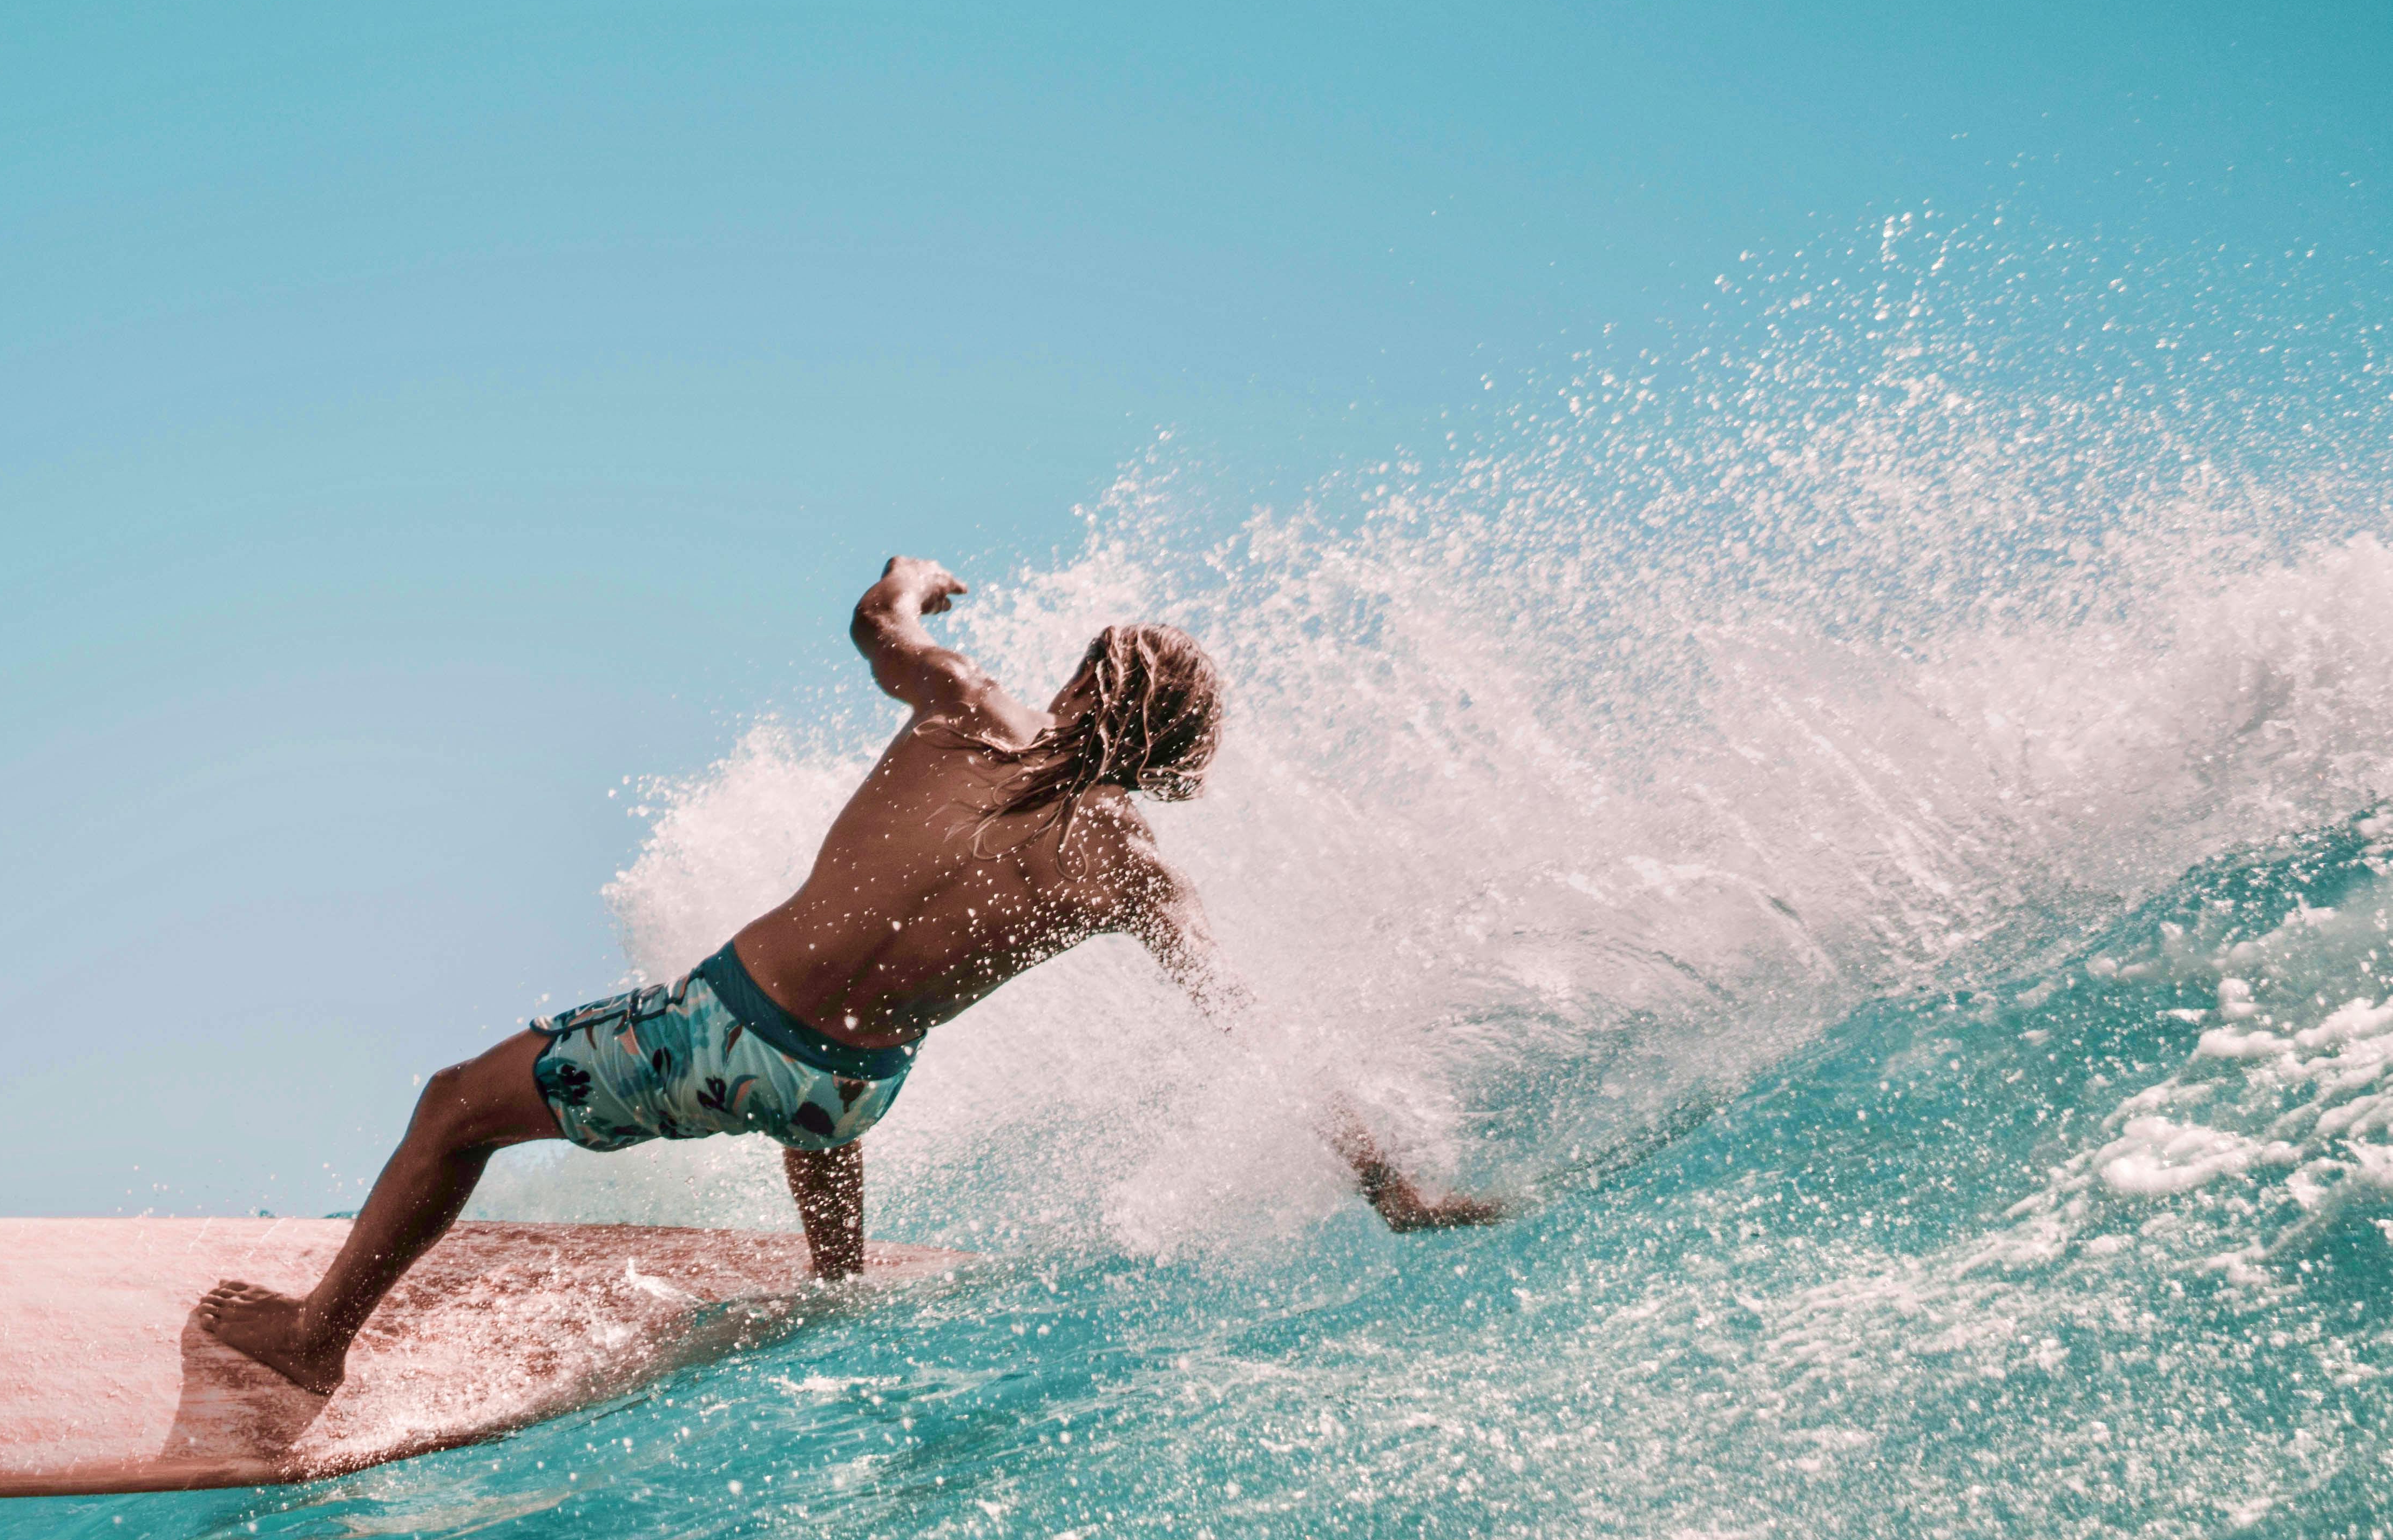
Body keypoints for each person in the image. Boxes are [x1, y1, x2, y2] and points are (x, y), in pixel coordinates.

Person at [191, 556, 1496, 1395]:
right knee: (813, 1106)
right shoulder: (1137, 874)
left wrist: (914, 576)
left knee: (452, 1104)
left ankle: (315, 1344)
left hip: (718, 1029)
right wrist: (1390, 1186)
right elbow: (1253, 1027)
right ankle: (835, 1290)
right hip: (851, 1088)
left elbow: (875, 623)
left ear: (1084, 681)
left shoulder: (967, 709)